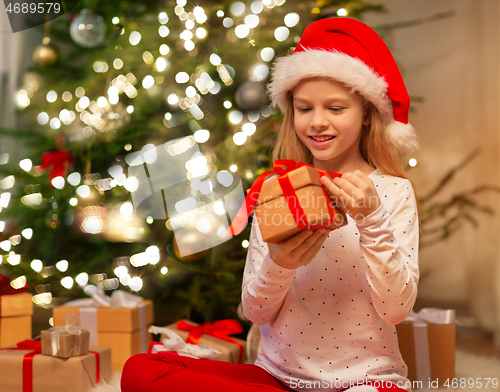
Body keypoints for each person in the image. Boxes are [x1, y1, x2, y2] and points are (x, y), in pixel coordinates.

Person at [121, 17, 419, 392]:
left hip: (365, 382)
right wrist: (279, 264)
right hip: (277, 380)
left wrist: (372, 222)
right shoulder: (278, 189)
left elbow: (397, 309)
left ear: (365, 115)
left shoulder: (392, 192)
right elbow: (255, 311)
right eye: (304, 108)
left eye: (336, 108)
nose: (317, 122)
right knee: (141, 370)